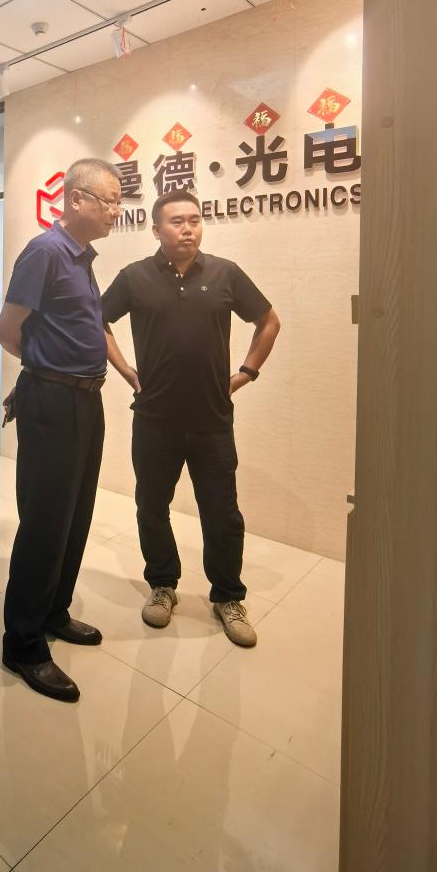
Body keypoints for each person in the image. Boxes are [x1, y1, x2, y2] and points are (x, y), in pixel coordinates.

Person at [101, 190, 281, 648]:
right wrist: (126, 371)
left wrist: (245, 374)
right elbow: (95, 320)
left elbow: (269, 322)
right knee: (151, 506)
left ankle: (228, 597)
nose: (188, 229)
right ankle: (163, 584)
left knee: (223, 513)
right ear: (156, 229)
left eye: (195, 220)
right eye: (177, 221)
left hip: (212, 420)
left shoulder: (225, 273)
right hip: (154, 419)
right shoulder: (134, 277)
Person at [0, 158, 122, 703]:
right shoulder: (45, 252)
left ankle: (53, 611)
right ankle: (22, 644)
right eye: (108, 200)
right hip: (52, 401)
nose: (116, 210)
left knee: (76, 514)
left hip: (87, 401)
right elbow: (7, 329)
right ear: (75, 199)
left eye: (118, 201)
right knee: (45, 521)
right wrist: (44, 368)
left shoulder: (82, 258)